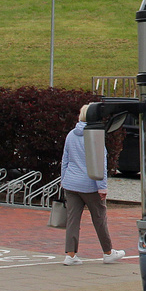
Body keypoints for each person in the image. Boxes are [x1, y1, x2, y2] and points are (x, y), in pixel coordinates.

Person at [60, 105, 125, 266]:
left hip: (71, 183)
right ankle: (108, 252)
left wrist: (64, 180)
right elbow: (100, 164)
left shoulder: (71, 135)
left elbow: (65, 159)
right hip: (89, 184)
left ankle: (70, 255)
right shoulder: (94, 136)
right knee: (99, 218)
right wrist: (102, 187)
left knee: (73, 220)